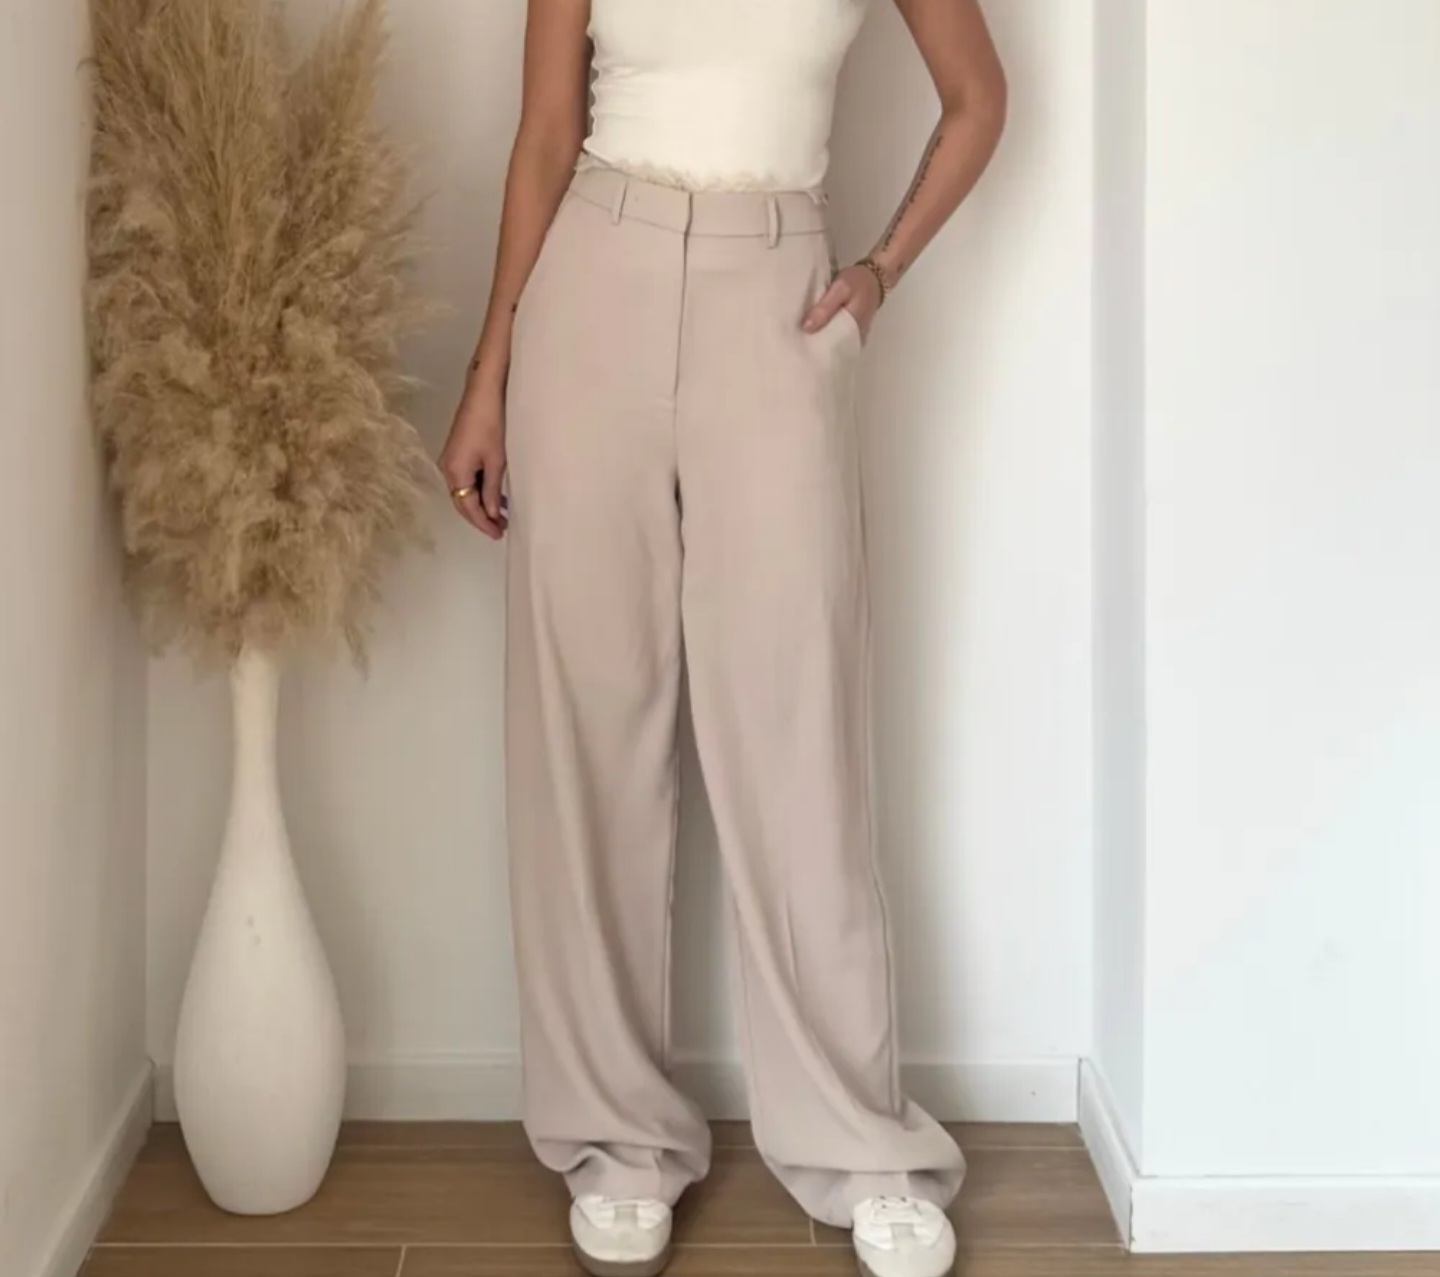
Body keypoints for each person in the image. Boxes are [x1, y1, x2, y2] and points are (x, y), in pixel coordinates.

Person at [440, 2, 1006, 1274]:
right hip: (592, 281)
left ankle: (863, 1145)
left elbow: (979, 100)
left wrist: (879, 271)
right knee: (586, 729)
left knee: (798, 735)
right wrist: (489, 376)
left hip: (779, 292)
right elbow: (545, 136)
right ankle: (616, 1138)